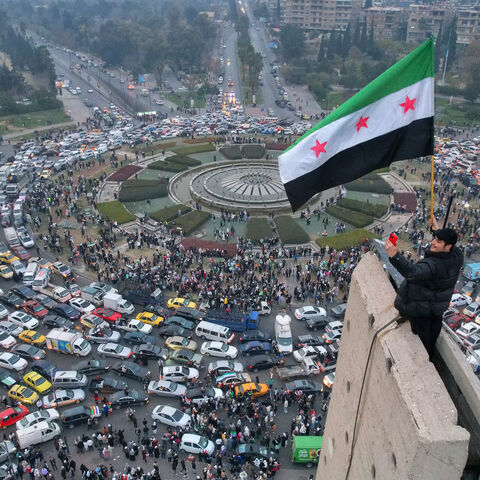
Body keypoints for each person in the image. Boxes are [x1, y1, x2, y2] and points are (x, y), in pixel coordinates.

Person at [385, 218, 463, 360]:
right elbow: (451, 245)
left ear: (448, 246)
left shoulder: (433, 265)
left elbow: (412, 272)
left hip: (420, 310)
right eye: (435, 238)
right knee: (432, 337)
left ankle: (425, 362)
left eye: (438, 241)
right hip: (436, 309)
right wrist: (437, 230)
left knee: (423, 345)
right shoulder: (457, 256)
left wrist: (395, 256)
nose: (433, 242)